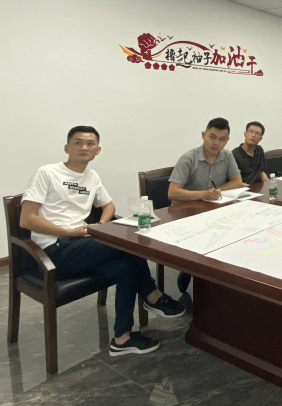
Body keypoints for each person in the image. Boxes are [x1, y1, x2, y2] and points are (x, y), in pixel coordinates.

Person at [20, 126, 185, 357]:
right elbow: (27, 219)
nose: (84, 147)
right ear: (67, 147)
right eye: (78, 142)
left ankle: (122, 338)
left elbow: (108, 205)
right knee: (129, 244)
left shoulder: (91, 176)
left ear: (97, 150)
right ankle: (151, 294)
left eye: (90, 144)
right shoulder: (46, 173)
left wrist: (101, 225)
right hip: (54, 250)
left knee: (125, 268)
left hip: (80, 243)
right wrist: (70, 232)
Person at [169, 117, 243, 293]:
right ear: (203, 135)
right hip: (185, 213)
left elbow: (237, 181)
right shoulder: (188, 158)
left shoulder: (227, 155)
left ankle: (222, 278)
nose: (216, 143)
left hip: (211, 209)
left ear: (227, 140)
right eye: (212, 137)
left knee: (237, 229)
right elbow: (172, 192)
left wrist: (216, 191)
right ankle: (191, 270)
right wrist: (204, 194)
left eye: (222, 139)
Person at [232, 121, 269, 186]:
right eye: (250, 131)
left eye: (257, 133)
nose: (253, 135)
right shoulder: (234, 155)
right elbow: (234, 182)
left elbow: (261, 172)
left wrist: (269, 184)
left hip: (258, 188)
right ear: (245, 134)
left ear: (260, 139)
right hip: (243, 189)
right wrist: (252, 188)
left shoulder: (259, 150)